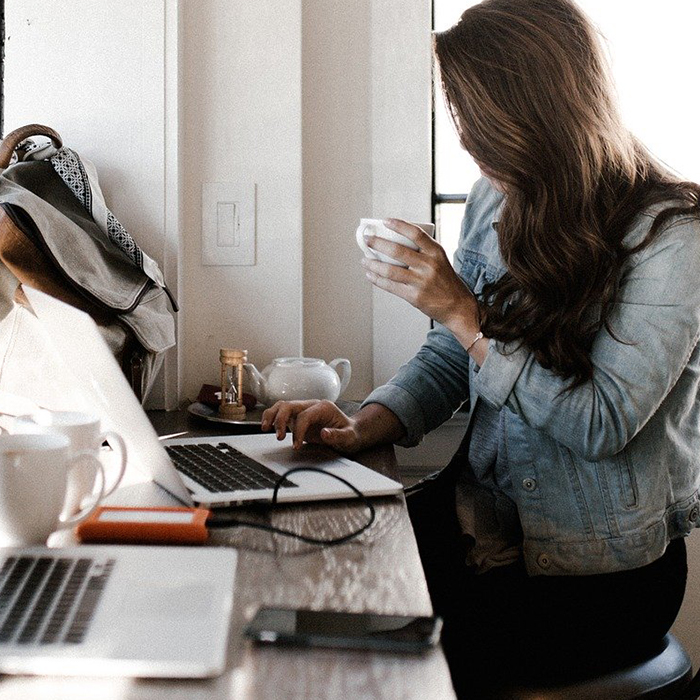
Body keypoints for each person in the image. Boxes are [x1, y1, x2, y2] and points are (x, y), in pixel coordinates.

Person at [262, 0, 700, 695]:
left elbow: (601, 423)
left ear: (535, 112)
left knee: (367, 660)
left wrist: (464, 313)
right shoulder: (496, 199)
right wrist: (363, 426)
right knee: (296, 579)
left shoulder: (671, 237)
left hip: (596, 578)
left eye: (476, 122)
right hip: (481, 526)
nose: (467, 144)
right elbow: (449, 358)